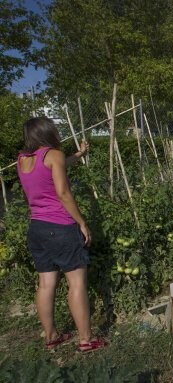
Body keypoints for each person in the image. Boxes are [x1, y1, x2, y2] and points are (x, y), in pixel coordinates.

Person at [17, 117, 106, 352]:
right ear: (49, 132)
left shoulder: (23, 159)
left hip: (36, 228)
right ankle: (86, 340)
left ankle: (51, 335)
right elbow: (63, 192)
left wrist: (79, 154)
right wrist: (82, 222)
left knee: (46, 284)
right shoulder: (53, 154)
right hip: (60, 227)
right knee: (76, 283)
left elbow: (55, 167)